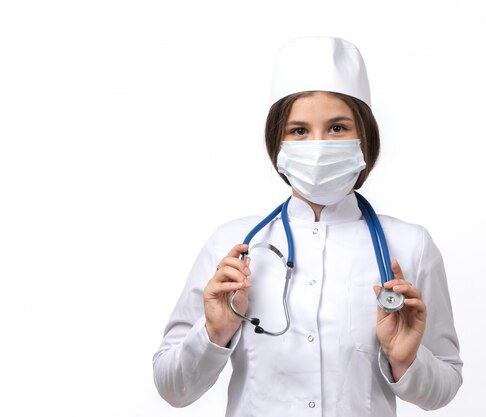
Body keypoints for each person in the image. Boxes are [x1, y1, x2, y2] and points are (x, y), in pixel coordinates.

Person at [153, 37, 462, 416]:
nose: (318, 145)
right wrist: (214, 333)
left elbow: (444, 386)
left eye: (336, 128)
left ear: (364, 137)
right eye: (299, 130)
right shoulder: (231, 247)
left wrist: (406, 362)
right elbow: (172, 388)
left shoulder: (410, 245)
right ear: (277, 144)